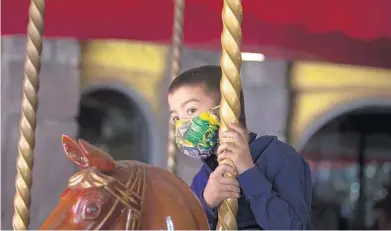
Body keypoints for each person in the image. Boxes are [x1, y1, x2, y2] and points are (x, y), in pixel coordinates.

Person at [168, 65, 312, 230]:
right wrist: (206, 203)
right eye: (176, 118)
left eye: (191, 110)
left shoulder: (280, 157)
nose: (183, 125)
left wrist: (248, 172)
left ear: (226, 107)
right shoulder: (204, 179)